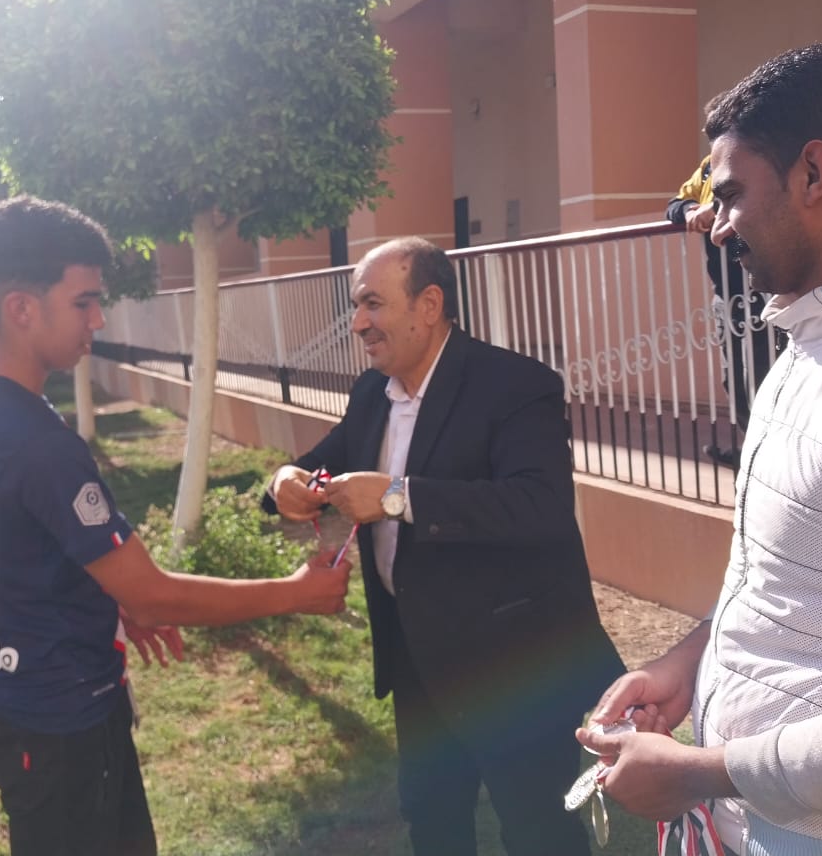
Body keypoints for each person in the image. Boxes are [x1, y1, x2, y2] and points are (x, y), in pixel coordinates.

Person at [579, 44, 822, 855]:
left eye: (733, 194)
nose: (717, 224)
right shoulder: (808, 346)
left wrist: (700, 772)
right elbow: (787, 581)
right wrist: (686, 664)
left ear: (814, 173)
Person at [0, 196, 351, 856]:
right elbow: (154, 595)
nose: (99, 319)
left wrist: (107, 597)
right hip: (66, 727)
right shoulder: (34, 441)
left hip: (15, 702)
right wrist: (297, 592)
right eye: (84, 302)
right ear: (21, 308)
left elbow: (17, 547)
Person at [264, 237, 624, 856]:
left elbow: (538, 504)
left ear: (428, 304)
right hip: (416, 661)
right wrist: (284, 482)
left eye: (373, 304)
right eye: (356, 307)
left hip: (512, 666)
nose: (358, 324)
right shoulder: (371, 393)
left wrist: (397, 498)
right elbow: (318, 465)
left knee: (538, 830)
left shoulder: (514, 385)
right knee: (433, 820)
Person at [666, 97, 780, 469]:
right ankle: (754, 451)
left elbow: (756, 195)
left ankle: (770, 456)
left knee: (765, 371)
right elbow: (674, 205)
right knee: (735, 379)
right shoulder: (706, 168)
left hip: (762, 285)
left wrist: (713, 209)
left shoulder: (758, 156)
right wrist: (688, 210)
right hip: (726, 293)